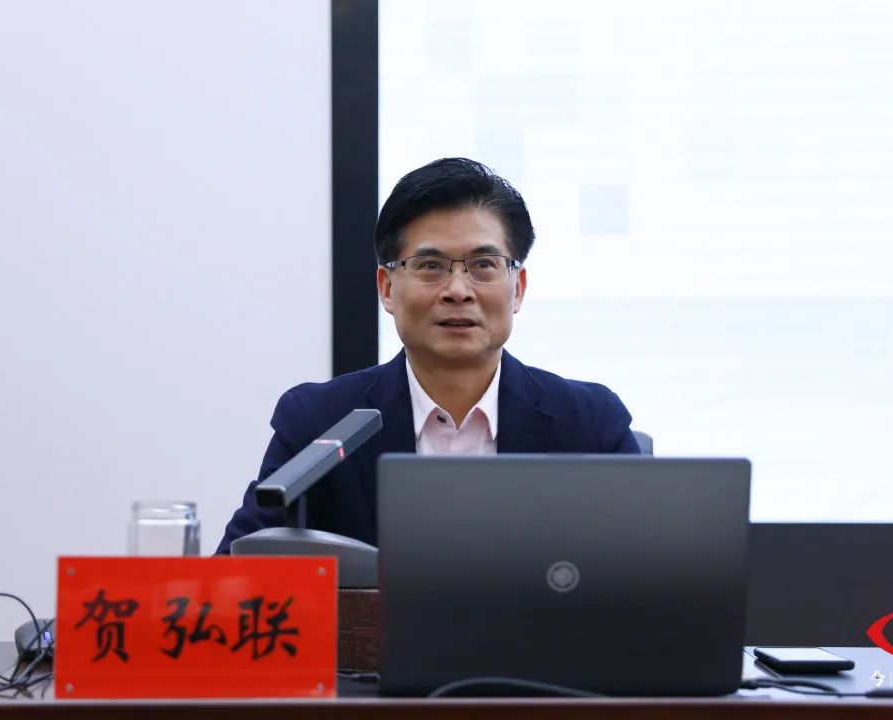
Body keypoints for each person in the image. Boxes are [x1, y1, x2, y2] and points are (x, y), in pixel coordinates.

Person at [216, 158, 640, 553]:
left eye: (484, 264)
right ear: (387, 288)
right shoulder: (320, 422)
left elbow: (652, 580)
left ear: (518, 288)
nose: (458, 290)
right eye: (431, 266)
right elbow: (234, 576)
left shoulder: (589, 424)